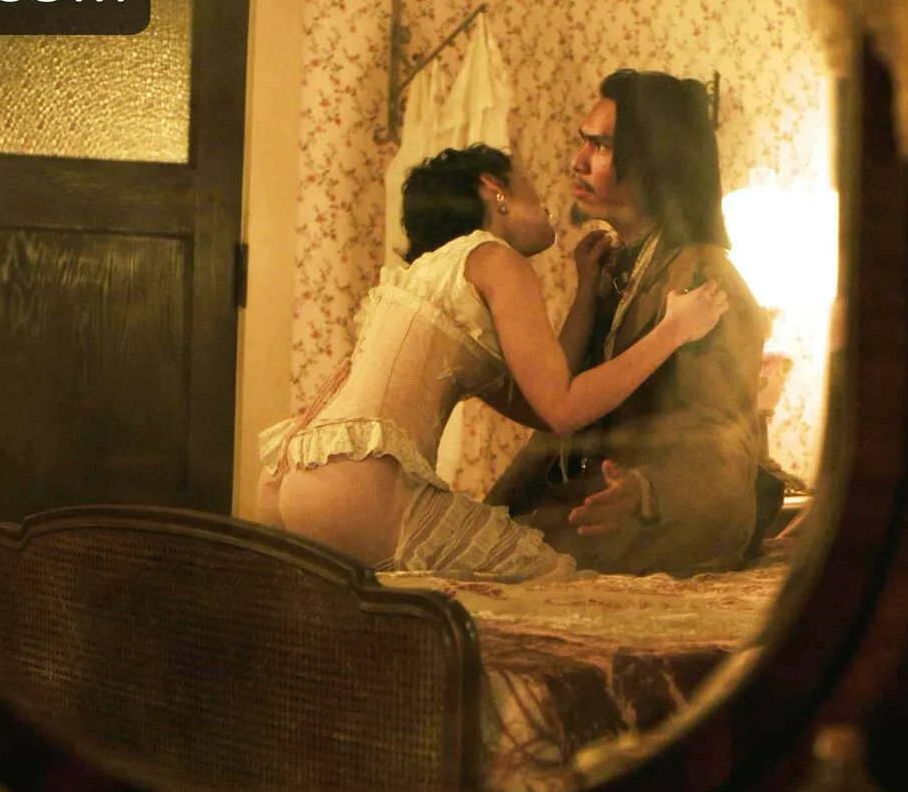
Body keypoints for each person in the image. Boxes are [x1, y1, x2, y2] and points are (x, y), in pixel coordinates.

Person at [248, 144, 729, 580]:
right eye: (531, 185)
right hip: (357, 483)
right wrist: (675, 330)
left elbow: (543, 403)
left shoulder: (432, 277)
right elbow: (564, 410)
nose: (547, 201)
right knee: (559, 582)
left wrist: (586, 290)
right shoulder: (494, 257)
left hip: (291, 476)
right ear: (493, 188)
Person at [485, 70, 779, 576]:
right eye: (584, 142)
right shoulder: (614, 266)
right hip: (599, 508)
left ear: (656, 161)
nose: (577, 161)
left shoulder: (705, 282)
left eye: (600, 146)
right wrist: (493, 511)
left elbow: (728, 447)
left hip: (674, 527)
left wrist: (646, 491)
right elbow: (562, 413)